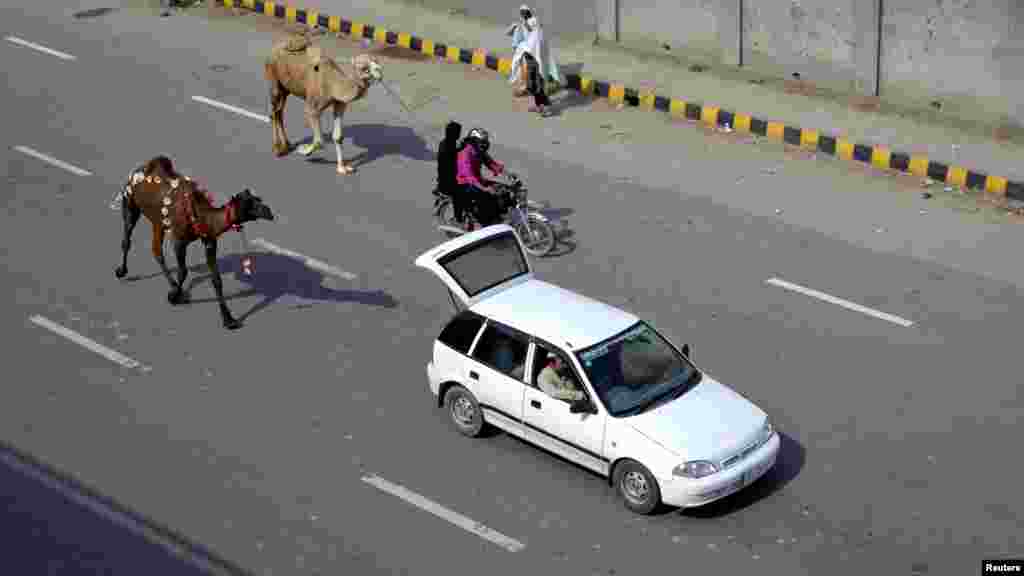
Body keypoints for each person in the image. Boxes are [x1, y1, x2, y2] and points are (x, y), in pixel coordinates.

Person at [508, 8, 562, 117]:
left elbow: (531, 28)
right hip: (530, 60)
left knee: (538, 86)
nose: (523, 17)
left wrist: (523, 24)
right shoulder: (526, 28)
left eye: (524, 14)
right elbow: (516, 36)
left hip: (537, 61)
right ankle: (539, 106)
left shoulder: (534, 26)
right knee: (532, 85)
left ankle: (547, 107)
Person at [455, 128, 506, 229]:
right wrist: (484, 188)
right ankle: (484, 223)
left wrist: (508, 174)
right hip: (463, 182)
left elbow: (491, 164)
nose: (485, 143)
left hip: (477, 180)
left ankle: (497, 217)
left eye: (485, 141)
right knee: (486, 196)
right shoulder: (465, 153)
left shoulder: (479, 151)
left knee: (502, 189)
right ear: (474, 141)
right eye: (482, 141)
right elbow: (468, 175)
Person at [436, 121, 464, 220]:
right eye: (458, 132)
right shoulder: (447, 146)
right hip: (447, 181)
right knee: (461, 194)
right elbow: (452, 159)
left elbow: (455, 154)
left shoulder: (446, 142)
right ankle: (458, 219)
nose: (459, 135)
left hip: (447, 178)